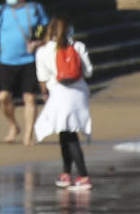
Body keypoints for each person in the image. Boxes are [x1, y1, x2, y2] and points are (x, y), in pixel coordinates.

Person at [33, 16, 94, 190]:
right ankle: (66, 172)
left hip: (59, 94)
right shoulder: (78, 46)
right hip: (79, 94)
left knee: (69, 134)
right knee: (66, 132)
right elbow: (88, 71)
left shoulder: (43, 51)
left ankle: (83, 175)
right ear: (69, 29)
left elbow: (42, 78)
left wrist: (46, 95)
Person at [0, 0, 48, 144]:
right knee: (3, 97)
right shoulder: (0, 11)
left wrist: (36, 41)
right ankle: (13, 125)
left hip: (29, 61)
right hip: (6, 61)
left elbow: (42, 29)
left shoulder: (35, 9)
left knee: (30, 97)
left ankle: (28, 135)